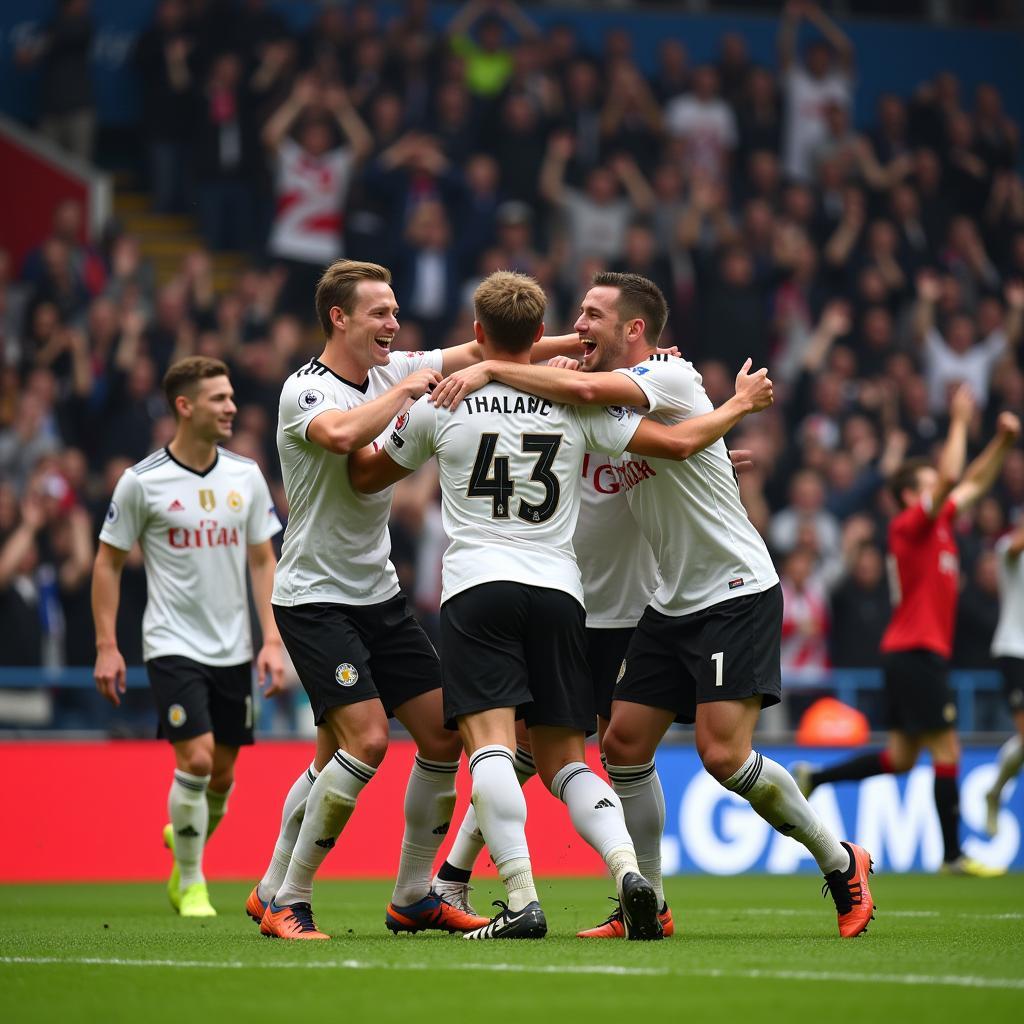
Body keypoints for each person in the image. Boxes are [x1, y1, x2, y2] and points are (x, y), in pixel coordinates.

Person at [431, 271, 875, 939]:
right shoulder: (607, 404)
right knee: (623, 744)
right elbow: (651, 434)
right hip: (666, 601)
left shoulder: (669, 378)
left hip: (732, 589)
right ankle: (650, 907)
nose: (578, 325)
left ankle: (842, 861)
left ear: (634, 330)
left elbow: (598, 394)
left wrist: (490, 364)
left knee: (723, 756)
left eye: (591, 315)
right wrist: (716, 439)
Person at [348, 271, 774, 939]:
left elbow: (366, 471)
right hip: (560, 595)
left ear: (480, 334)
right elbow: (673, 445)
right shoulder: (580, 407)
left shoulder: (446, 397)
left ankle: (521, 898)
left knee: (490, 746)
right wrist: (729, 420)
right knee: (566, 760)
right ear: (544, 331)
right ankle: (629, 871)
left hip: (478, 588)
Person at [250, 259, 581, 940]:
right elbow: (344, 440)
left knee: (440, 734)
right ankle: (290, 897)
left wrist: (584, 349)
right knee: (366, 740)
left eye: (396, 312)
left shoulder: (394, 366)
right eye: (380, 313)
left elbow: (501, 347)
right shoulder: (305, 392)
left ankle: (412, 894)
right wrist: (405, 390)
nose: (393, 324)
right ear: (339, 317)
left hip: (378, 594)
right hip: (315, 597)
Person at [795, 388, 1021, 876]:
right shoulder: (907, 527)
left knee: (900, 758)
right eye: (924, 485)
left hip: (910, 653)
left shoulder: (940, 524)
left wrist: (1001, 443)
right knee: (947, 749)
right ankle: (953, 856)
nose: (937, 490)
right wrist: (959, 419)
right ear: (905, 496)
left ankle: (814, 776)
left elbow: (972, 483)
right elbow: (951, 479)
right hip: (917, 652)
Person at [92, 356, 286, 917]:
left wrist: (270, 639)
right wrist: (108, 646)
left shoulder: (245, 476)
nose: (231, 407)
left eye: (230, 397)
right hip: (171, 642)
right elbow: (106, 565)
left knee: (222, 773)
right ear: (185, 406)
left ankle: (186, 834)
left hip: (233, 647)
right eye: (219, 399)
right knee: (197, 761)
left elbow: (261, 560)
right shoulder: (141, 482)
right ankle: (192, 879)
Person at [983, 518, 1024, 837]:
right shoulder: (1008, 549)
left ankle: (995, 790)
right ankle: (995, 792)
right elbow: (1013, 547)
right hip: (1014, 650)